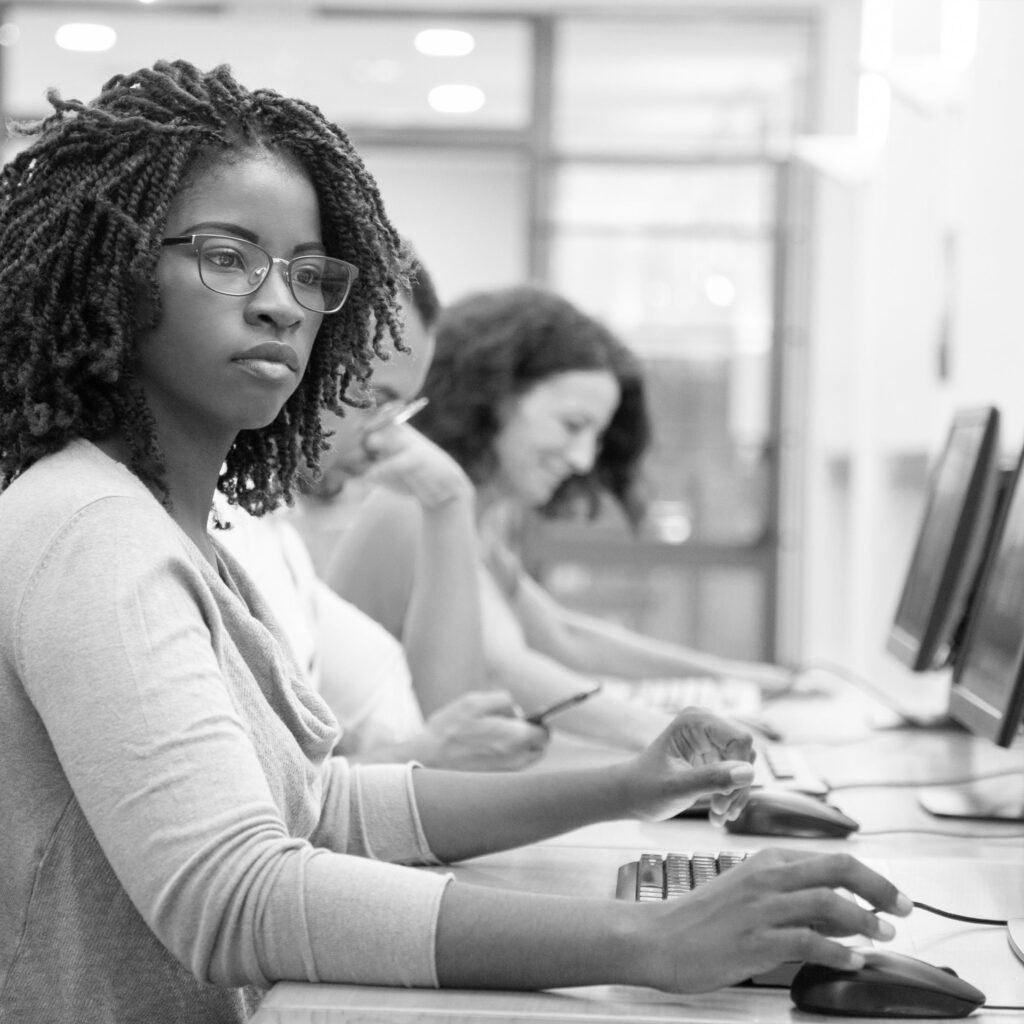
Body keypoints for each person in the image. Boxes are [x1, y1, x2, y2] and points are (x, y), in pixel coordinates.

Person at [0, 60, 909, 1024]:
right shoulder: (93, 533)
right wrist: (645, 941)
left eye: (310, 274)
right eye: (228, 256)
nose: (282, 305)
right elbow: (237, 896)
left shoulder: (178, 530)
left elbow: (320, 806)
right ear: (113, 269)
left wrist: (626, 786)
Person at [325, 285, 793, 750]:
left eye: (597, 437)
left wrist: (736, 677)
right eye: (572, 426)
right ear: (495, 396)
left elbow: (566, 636)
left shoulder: (476, 525)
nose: (584, 459)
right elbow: (503, 669)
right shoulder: (414, 506)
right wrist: (671, 736)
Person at [217, 265, 549, 770]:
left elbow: (442, 733)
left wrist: (448, 501)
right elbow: (247, 802)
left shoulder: (274, 538)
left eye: (398, 412)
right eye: (374, 401)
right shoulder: (217, 531)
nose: (383, 438)